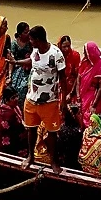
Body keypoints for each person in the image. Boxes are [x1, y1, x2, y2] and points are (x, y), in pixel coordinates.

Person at [23, 26, 66, 169]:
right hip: (31, 99)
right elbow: (30, 62)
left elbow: (63, 79)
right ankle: (30, 156)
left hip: (50, 100)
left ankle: (54, 162)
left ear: (38, 39)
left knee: (52, 133)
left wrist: (63, 100)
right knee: (31, 129)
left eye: (31, 39)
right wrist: (15, 62)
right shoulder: (35, 51)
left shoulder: (56, 54)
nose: (30, 42)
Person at [77, 41, 101, 124]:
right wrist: (78, 95)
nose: (84, 54)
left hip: (94, 95)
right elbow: (78, 79)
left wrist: (94, 105)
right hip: (83, 93)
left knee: (89, 117)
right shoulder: (85, 62)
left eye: (86, 52)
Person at [0, 86, 25, 154]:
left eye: (17, 96)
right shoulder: (6, 113)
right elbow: (13, 130)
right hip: (10, 144)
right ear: (6, 100)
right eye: (13, 98)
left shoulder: (15, 107)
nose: (16, 99)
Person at [57, 34, 82, 121]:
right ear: (60, 46)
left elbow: (77, 76)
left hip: (72, 86)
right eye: (64, 46)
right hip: (59, 85)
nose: (67, 49)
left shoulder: (75, 55)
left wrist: (71, 93)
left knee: (73, 111)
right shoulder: (57, 55)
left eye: (68, 46)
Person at [7, 22, 33, 102]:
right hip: (17, 68)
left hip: (29, 67)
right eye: (25, 32)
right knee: (15, 86)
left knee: (26, 86)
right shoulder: (14, 44)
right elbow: (11, 60)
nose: (28, 34)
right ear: (20, 34)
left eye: (29, 31)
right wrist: (10, 75)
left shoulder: (31, 42)